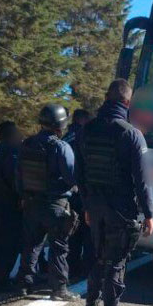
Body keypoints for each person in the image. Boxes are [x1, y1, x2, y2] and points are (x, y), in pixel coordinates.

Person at [78, 79, 153, 306]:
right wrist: (149, 214)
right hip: (121, 210)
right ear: (127, 103)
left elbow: (81, 173)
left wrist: (87, 205)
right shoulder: (132, 134)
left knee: (98, 258)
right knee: (116, 264)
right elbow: (142, 181)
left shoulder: (86, 130)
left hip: (95, 208)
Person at [18, 104, 81, 301]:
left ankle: (24, 284)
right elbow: (72, 177)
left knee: (31, 245)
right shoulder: (61, 147)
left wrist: (23, 196)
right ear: (61, 125)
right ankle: (59, 289)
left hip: (31, 203)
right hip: (56, 205)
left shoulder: (26, 144)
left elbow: (18, 175)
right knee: (59, 248)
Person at [0, 121, 24, 292]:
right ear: (11, 135)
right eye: (17, 134)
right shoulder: (11, 152)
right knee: (9, 243)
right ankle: (2, 281)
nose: (20, 137)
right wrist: (21, 196)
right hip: (9, 205)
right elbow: (14, 178)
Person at [63, 109, 94, 279]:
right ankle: (87, 269)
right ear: (83, 120)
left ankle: (72, 267)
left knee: (72, 233)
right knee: (88, 233)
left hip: (67, 194)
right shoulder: (85, 138)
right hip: (83, 192)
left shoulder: (64, 138)